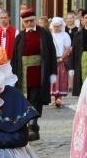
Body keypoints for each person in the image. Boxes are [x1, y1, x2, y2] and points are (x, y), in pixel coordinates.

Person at [11, 8, 57, 141]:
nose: (29, 24)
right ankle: (24, 127)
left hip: (38, 73)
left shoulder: (44, 34)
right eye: (27, 22)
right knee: (24, 100)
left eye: (31, 21)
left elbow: (52, 53)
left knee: (36, 100)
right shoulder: (20, 36)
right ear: (23, 23)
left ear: (35, 20)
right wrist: (12, 74)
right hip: (23, 73)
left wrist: (53, 72)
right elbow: (15, 57)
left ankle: (33, 128)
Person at [50, 17, 72, 107]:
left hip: (62, 59)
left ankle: (59, 98)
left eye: (58, 26)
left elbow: (67, 49)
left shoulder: (65, 35)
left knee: (61, 78)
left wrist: (61, 59)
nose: (56, 28)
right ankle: (55, 97)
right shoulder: (50, 35)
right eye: (55, 26)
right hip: (52, 59)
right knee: (53, 78)